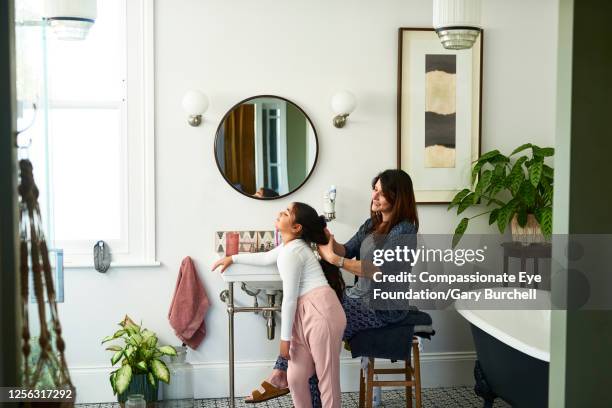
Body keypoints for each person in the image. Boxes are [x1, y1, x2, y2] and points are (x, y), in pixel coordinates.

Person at [243, 169, 420, 406]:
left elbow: (378, 270)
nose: (374, 196)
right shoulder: (372, 224)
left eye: (380, 192)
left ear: (397, 196)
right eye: (374, 189)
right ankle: (281, 374)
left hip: (384, 307)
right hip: (358, 299)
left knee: (320, 326)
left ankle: (281, 374)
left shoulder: (405, 230)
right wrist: (329, 240)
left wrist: (335, 260)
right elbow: (346, 250)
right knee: (314, 326)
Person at [212, 202, 347, 408]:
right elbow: (266, 258)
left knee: (326, 379)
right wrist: (233, 257)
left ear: (297, 228)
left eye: (285, 213)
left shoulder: (294, 252)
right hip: (306, 313)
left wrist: (284, 340)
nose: (279, 213)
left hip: (321, 312)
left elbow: (290, 298)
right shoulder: (288, 247)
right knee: (294, 378)